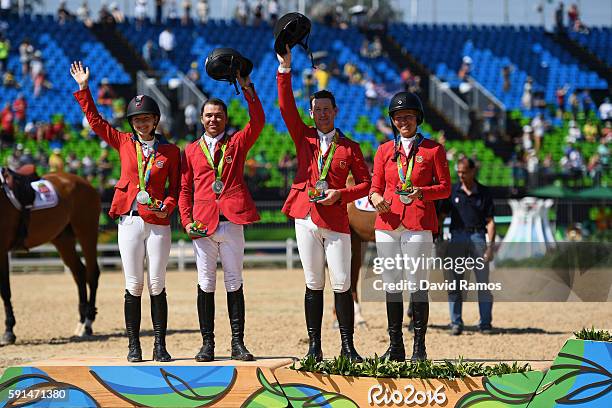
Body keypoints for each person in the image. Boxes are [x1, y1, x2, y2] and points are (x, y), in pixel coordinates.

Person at [71, 61, 180, 363]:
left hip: (158, 222)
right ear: (131, 122)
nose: (142, 124)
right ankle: (134, 345)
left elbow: (177, 188)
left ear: (156, 120)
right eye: (137, 120)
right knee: (133, 284)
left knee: (157, 283)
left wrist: (168, 207)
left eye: (147, 119)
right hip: (129, 220)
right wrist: (84, 89)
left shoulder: (170, 151)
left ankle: (160, 345)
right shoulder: (122, 142)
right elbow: (95, 122)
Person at [276, 46, 371, 362]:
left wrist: (340, 195)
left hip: (335, 219)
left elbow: (367, 185)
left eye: (327, 109)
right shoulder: (303, 138)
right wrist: (285, 70)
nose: (322, 114)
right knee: (313, 282)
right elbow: (286, 106)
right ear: (311, 112)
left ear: (336, 110)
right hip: (305, 217)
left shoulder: (350, 147)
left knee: (342, 283)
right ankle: (314, 347)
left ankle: (347, 347)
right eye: (317, 110)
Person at [179, 71, 264, 362]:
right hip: (202, 223)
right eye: (209, 116)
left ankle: (238, 343)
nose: (213, 120)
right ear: (201, 119)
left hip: (232, 221)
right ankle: (207, 344)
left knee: (234, 281)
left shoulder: (236, 144)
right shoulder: (190, 151)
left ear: (225, 119)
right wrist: (186, 220)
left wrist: (248, 89)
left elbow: (258, 122)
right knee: (206, 282)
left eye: (218, 115)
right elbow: (185, 188)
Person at [369, 91, 451, 361]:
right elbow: (375, 187)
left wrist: (422, 192)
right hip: (388, 222)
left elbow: (445, 189)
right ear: (392, 121)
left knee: (417, 284)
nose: (403, 121)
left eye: (408, 116)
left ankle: (419, 347)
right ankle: (395, 347)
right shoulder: (383, 151)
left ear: (418, 119)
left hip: (418, 222)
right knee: (391, 285)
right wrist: (376, 197)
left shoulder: (433, 150)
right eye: (398, 117)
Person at [438, 158, 495, 335]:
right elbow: (441, 215)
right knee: (455, 282)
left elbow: (491, 221)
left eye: (464, 172)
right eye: (459, 172)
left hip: (478, 237)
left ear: (473, 171)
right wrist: (439, 239)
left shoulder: (484, 192)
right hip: (456, 238)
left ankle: (485, 323)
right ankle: (456, 322)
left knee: (483, 283)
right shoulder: (452, 191)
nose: (461, 175)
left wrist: (490, 247)